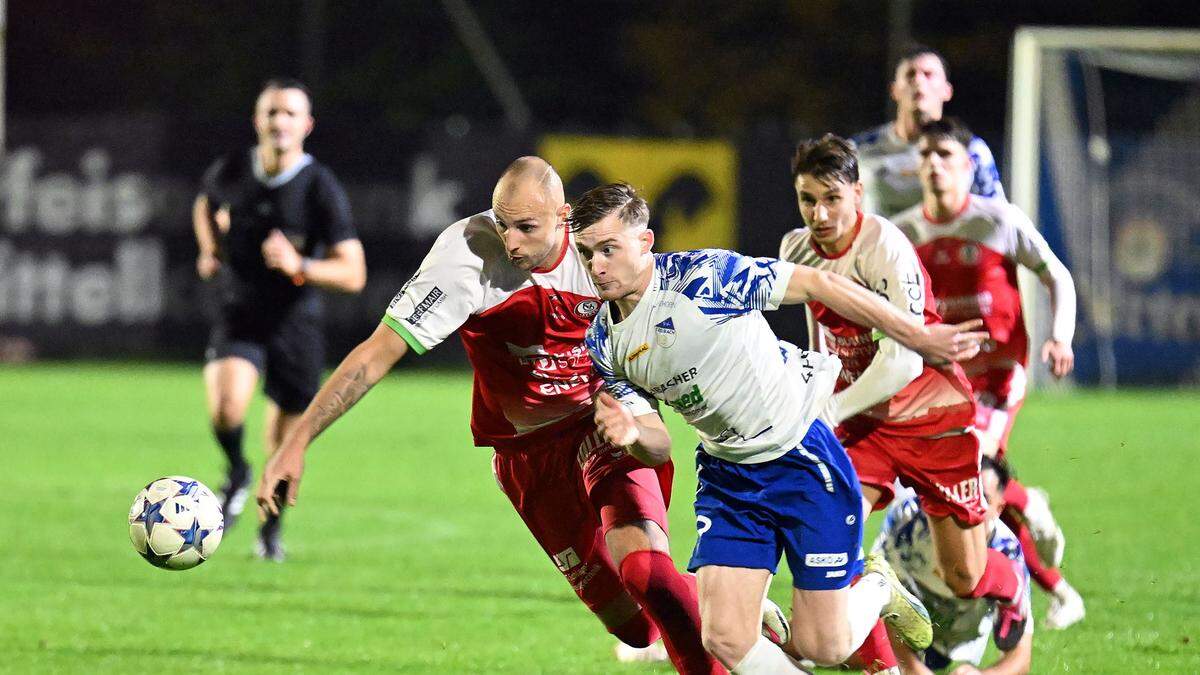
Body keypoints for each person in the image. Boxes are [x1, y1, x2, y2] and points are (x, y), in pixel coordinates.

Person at [256, 156, 755, 675]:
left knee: (647, 575)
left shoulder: (597, 255)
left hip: (602, 425)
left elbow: (665, 333)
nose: (511, 241)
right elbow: (377, 352)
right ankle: (735, 606)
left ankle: (739, 639)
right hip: (526, 456)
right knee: (633, 624)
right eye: (502, 223)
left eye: (527, 227)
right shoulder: (465, 257)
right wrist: (297, 441)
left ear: (563, 217)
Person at [571, 182, 988, 673]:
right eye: (585, 253)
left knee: (825, 647)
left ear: (645, 243)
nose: (597, 266)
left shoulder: (704, 278)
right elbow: (659, 448)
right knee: (724, 637)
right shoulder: (602, 341)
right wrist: (632, 435)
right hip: (728, 474)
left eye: (608, 249)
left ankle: (877, 587)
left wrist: (916, 336)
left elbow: (818, 285)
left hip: (800, 455)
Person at [779, 134, 1032, 669]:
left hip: (931, 415)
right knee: (826, 517)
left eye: (831, 198)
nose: (819, 214)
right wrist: (817, 395)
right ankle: (861, 643)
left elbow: (903, 360)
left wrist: (830, 410)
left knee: (964, 577)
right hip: (864, 422)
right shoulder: (795, 248)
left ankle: (1013, 589)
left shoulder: (886, 247)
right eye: (807, 199)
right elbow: (818, 337)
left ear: (858, 194)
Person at [893, 117, 1085, 630]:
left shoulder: (997, 219)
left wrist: (1060, 335)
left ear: (967, 164)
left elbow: (1056, 274)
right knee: (964, 492)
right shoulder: (905, 232)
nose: (934, 163)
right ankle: (1056, 587)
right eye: (927, 155)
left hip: (999, 374)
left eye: (946, 155)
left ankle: (1021, 527)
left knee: (977, 475)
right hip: (941, 380)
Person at [193, 77, 366, 560]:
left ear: (306, 125)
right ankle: (236, 472)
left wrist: (300, 266)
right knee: (227, 408)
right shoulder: (233, 168)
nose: (279, 122)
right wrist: (209, 249)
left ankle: (270, 532)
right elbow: (205, 203)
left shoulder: (319, 186)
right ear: (258, 120)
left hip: (296, 322)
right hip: (240, 310)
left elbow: (354, 273)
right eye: (272, 112)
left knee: (283, 441)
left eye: (290, 114)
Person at [873, 456, 1033, 675]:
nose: (974, 507)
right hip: (901, 631)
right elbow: (877, 591)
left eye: (984, 497)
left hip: (951, 647)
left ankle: (1011, 591)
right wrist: (911, 668)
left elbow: (1021, 658)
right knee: (841, 642)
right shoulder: (910, 516)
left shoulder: (1008, 550)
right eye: (967, 495)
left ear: (999, 507)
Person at [853, 45, 1004, 219]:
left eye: (928, 74)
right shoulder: (859, 149)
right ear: (894, 91)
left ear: (947, 91)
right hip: (879, 246)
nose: (918, 81)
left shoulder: (971, 150)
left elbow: (996, 217)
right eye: (910, 74)